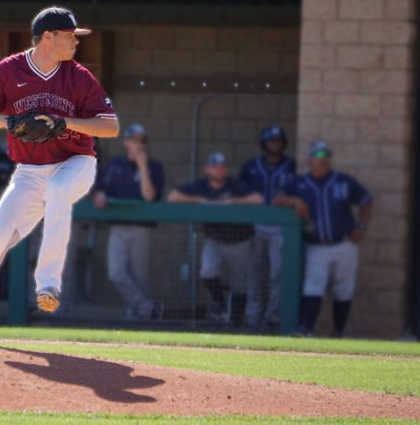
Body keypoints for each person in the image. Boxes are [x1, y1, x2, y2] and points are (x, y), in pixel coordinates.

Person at [0, 6, 119, 343]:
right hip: (29, 172)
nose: (74, 42)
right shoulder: (10, 70)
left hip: (75, 162)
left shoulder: (78, 76)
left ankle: (48, 283)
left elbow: (109, 127)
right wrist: (7, 121)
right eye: (69, 36)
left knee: (58, 192)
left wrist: (66, 123)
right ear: (47, 37)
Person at [273, 141, 373, 338]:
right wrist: (295, 200)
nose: (321, 159)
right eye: (317, 155)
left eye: (325, 156)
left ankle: (338, 332)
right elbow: (276, 199)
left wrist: (361, 226)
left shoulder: (342, 181)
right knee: (313, 285)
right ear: (309, 159)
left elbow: (366, 200)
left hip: (345, 243)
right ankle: (306, 329)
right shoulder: (299, 182)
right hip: (316, 245)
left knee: (343, 288)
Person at [168, 152, 263, 326]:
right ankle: (220, 302)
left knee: (239, 284)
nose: (218, 170)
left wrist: (232, 201)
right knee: (207, 271)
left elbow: (258, 199)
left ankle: (236, 322)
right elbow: (173, 197)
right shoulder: (202, 186)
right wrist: (200, 199)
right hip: (215, 238)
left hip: (240, 240)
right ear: (206, 169)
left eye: (221, 167)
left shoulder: (235, 185)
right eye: (214, 166)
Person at [93, 124, 165, 320]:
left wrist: (142, 167)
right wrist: (100, 196)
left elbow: (149, 197)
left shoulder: (154, 166)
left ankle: (136, 317)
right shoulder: (115, 164)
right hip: (117, 224)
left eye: (142, 141)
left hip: (142, 227)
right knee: (116, 273)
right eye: (134, 140)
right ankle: (148, 309)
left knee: (139, 277)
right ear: (126, 142)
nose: (138, 145)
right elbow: (101, 189)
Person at [239, 125, 296, 332]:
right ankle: (253, 317)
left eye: (279, 141)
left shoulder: (292, 166)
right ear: (264, 143)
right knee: (254, 274)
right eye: (271, 141)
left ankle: (272, 318)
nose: (275, 144)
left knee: (277, 274)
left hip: (281, 227)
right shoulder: (251, 166)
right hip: (256, 226)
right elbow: (239, 194)